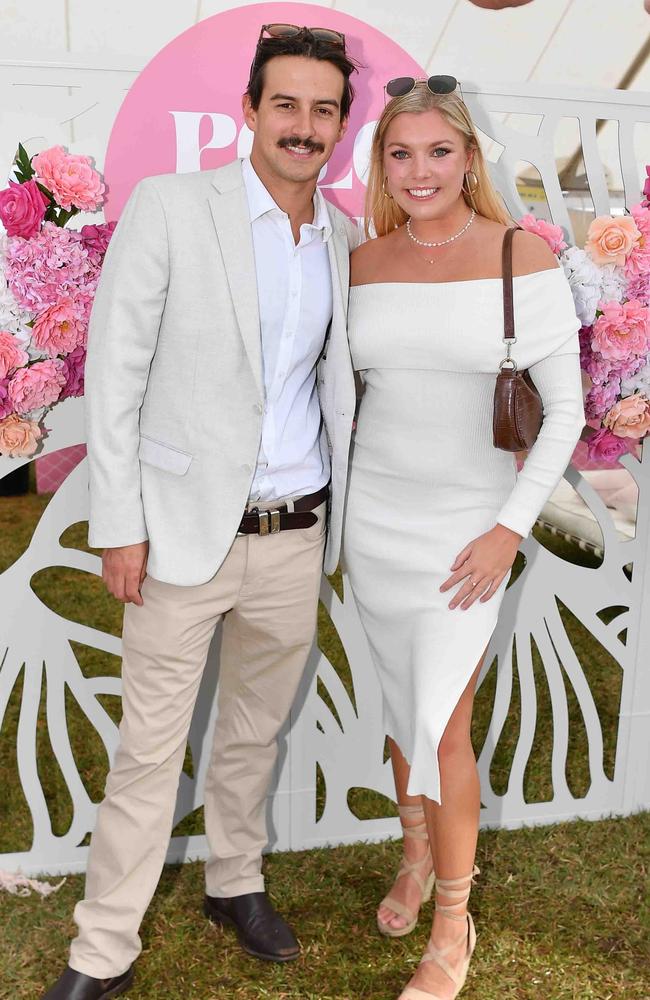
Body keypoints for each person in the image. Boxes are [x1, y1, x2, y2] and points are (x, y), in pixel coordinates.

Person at [42, 24, 359, 1000]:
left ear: (340, 124)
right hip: (179, 533)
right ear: (250, 111)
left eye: (321, 109)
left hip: (293, 532)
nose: (302, 126)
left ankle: (233, 879)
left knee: (253, 729)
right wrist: (120, 522)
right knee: (148, 749)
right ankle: (102, 948)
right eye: (285, 105)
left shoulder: (345, 238)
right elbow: (119, 368)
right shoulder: (174, 208)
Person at [343, 77, 584, 1000]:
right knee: (408, 704)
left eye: (438, 152)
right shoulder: (364, 262)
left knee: (444, 722)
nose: (419, 171)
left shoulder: (522, 256)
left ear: (470, 158)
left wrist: (505, 530)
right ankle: (414, 856)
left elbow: (562, 413)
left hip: (467, 532)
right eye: (400, 154)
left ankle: (452, 922)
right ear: (381, 165)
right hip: (378, 525)